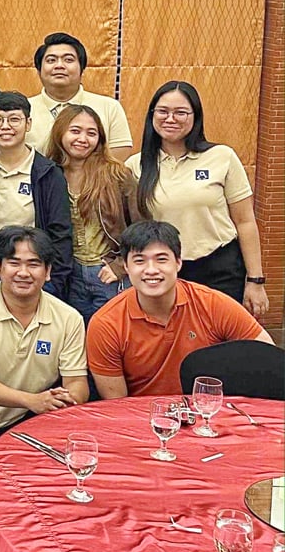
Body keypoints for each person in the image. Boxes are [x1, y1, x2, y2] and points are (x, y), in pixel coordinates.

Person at [125, 81, 268, 315]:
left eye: (181, 112)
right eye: (163, 111)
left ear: (196, 117)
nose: (170, 119)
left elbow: (245, 221)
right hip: (165, 272)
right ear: (152, 115)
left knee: (219, 336)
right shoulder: (135, 166)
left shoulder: (222, 157)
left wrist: (255, 280)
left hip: (220, 268)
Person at [87, 221, 272, 398]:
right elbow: (115, 403)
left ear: (178, 262)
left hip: (205, 410)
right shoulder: (106, 324)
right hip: (140, 416)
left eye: (161, 259)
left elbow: (268, 358)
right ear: (126, 267)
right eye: (139, 261)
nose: (151, 270)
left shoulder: (212, 304)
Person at [0, 226, 87, 470]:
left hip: (40, 424)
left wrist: (67, 399)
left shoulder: (69, 318)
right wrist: (31, 401)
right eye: (14, 263)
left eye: (34, 264)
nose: (23, 273)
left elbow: (77, 381)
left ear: (48, 272)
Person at [43, 104, 139, 323]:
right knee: (76, 335)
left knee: (111, 334)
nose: (83, 139)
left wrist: (120, 265)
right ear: (60, 132)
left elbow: (141, 227)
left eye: (91, 133)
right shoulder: (49, 173)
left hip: (108, 273)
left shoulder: (116, 174)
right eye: (75, 131)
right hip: (69, 275)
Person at [0, 92, 73, 294]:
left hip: (30, 277)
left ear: (28, 124)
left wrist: (53, 284)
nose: (5, 126)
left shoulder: (48, 173)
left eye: (14, 119)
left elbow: (60, 234)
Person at [24, 33, 132, 159]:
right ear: (39, 70)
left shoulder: (109, 107)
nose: (59, 65)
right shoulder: (23, 110)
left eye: (68, 60)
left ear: (82, 68)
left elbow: (120, 150)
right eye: (51, 60)